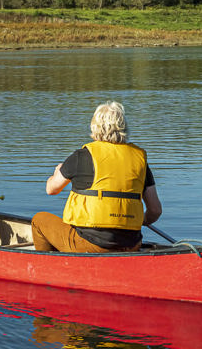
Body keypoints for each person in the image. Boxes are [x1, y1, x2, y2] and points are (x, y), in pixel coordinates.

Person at [31, 101, 162, 253]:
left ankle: (50, 268)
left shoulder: (82, 156)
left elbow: (51, 189)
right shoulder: (139, 161)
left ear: (94, 127)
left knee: (39, 220)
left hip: (92, 245)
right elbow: (155, 211)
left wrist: (57, 172)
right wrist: (138, 221)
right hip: (132, 244)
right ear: (124, 127)